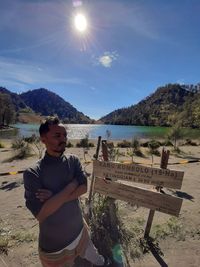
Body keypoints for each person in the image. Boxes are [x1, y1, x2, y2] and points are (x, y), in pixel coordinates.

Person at [23, 117, 105, 267]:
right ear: (43, 139)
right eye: (57, 136)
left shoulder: (73, 161)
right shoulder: (33, 173)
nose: (63, 139)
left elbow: (84, 188)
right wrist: (71, 186)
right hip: (54, 247)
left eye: (65, 135)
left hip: (80, 232)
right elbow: (41, 214)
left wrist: (54, 198)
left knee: (96, 258)